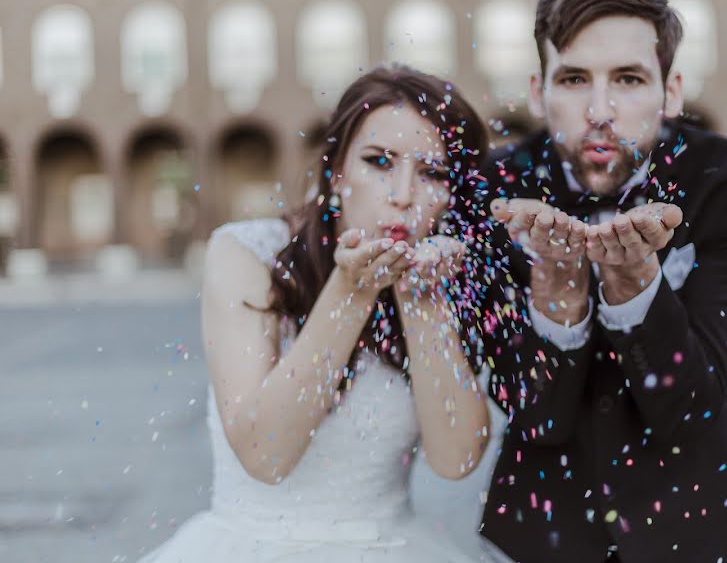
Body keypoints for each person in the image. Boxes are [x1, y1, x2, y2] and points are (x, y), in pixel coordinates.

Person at [461, 0, 727, 562]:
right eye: (575, 78)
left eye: (629, 79)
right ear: (538, 92)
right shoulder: (492, 190)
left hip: (700, 521)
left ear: (672, 91)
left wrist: (635, 286)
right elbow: (535, 419)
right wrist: (558, 301)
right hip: (543, 529)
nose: (600, 109)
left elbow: (692, 408)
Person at [139, 65, 491, 563]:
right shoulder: (246, 254)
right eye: (379, 161)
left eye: (432, 172)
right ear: (337, 169)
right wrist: (351, 293)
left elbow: (456, 461)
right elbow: (266, 454)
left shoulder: (445, 273)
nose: (404, 194)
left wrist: (420, 300)